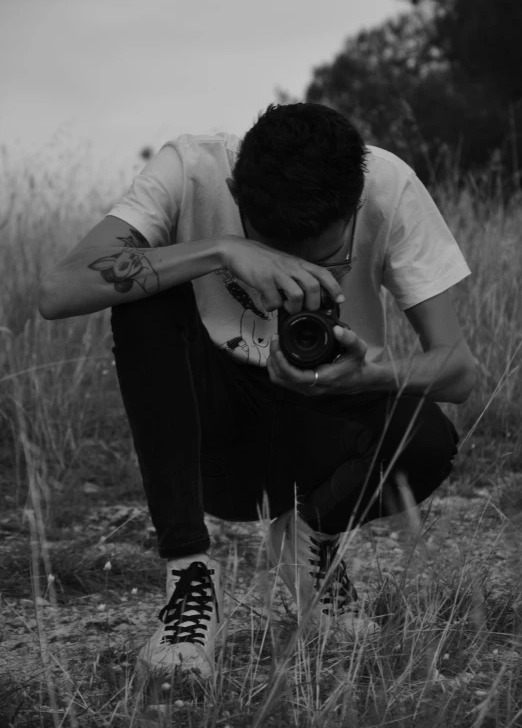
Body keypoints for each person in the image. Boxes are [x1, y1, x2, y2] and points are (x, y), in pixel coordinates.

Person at [38, 102, 476, 681]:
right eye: (277, 260)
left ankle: (307, 538)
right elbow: (58, 290)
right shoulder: (190, 169)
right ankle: (189, 581)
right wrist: (222, 250)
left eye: (321, 265)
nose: (294, 288)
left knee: (426, 437)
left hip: (319, 426)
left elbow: (462, 372)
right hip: (211, 441)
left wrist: (369, 373)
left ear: (357, 200)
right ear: (234, 192)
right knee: (141, 293)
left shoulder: (388, 183)